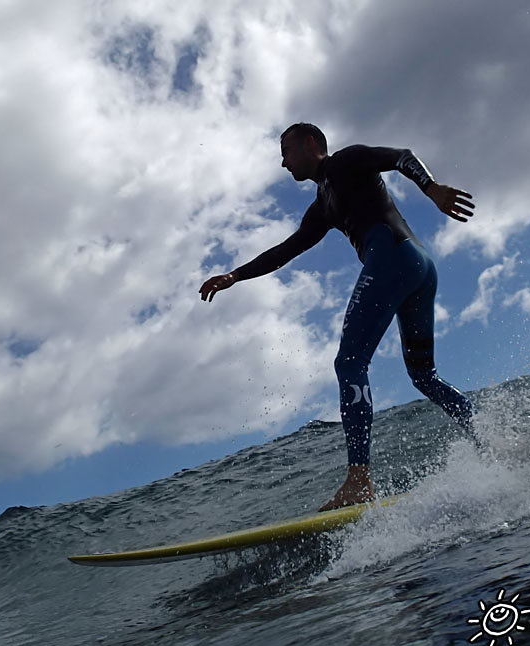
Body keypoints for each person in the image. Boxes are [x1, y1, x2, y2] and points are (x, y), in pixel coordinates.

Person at [199, 122, 477, 512]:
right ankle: (494, 440)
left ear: (311, 143)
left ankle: (359, 481)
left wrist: (432, 190)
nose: (283, 162)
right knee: (423, 376)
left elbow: (400, 156)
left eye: (287, 151)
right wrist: (235, 275)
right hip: (418, 267)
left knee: (349, 362)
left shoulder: (346, 161)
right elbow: (287, 249)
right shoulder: (323, 206)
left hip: (394, 259)